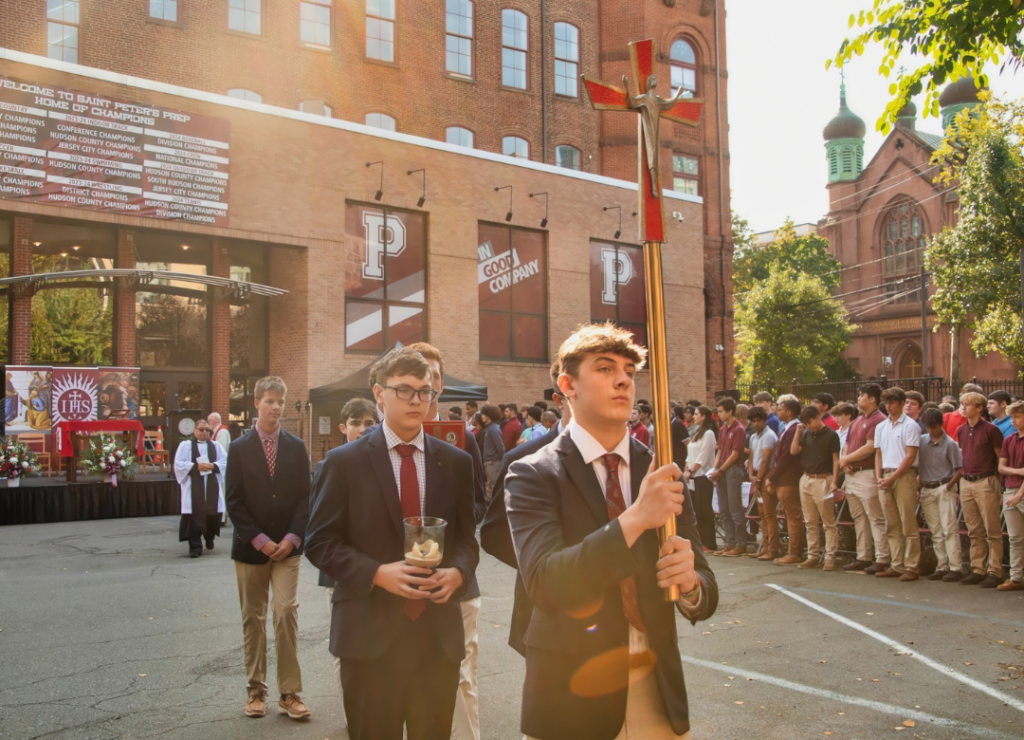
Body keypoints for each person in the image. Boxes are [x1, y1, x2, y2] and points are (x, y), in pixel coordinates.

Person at [504, 323, 717, 740]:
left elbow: (704, 587)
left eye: (629, 371)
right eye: (604, 369)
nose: (622, 380)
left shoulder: (659, 471)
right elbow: (545, 584)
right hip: (570, 695)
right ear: (568, 384)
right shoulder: (532, 473)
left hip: (657, 693)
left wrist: (690, 584)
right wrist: (636, 518)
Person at [305, 349, 478, 740]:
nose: (417, 400)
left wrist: (458, 572)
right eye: (405, 390)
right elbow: (319, 542)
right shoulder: (342, 462)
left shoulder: (454, 462)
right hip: (369, 638)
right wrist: (376, 573)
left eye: (425, 391)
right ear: (379, 394)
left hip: (436, 638)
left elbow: (467, 539)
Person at [407, 341, 489, 740]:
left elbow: (477, 505)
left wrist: (444, 535)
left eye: (434, 375)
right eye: (419, 375)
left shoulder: (463, 439)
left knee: (461, 679)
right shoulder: (382, 436)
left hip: (454, 581)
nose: (428, 383)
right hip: (400, 585)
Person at [225, 376, 311, 720]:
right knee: (253, 618)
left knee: (285, 611)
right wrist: (259, 539)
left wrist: (292, 538)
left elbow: (305, 498)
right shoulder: (239, 447)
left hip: (288, 548)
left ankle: (289, 693)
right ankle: (255, 690)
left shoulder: (296, 446)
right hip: (251, 548)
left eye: (280, 401)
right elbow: (233, 500)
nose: (275, 407)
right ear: (256, 403)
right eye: (269, 401)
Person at [480, 361, 570, 659]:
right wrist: (543, 567)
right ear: (561, 399)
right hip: (546, 610)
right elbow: (494, 534)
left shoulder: (637, 457)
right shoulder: (524, 457)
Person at [311, 397, 377, 715]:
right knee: (347, 650)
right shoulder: (330, 465)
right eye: (356, 423)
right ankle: (352, 718)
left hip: (380, 570)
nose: (363, 429)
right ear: (343, 428)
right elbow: (320, 530)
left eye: (369, 423)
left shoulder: (384, 462)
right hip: (339, 572)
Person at [838, 384, 890, 574]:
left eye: (862, 396)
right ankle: (863, 556)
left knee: (875, 517)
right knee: (859, 517)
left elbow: (870, 447)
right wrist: (845, 461)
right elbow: (847, 444)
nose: (858, 398)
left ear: (872, 399)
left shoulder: (879, 420)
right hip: (852, 474)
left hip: (867, 473)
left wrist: (847, 459)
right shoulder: (858, 420)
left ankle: (882, 557)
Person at [956, 391, 1006, 588]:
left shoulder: (991, 430)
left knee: (992, 528)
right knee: (974, 529)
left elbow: (1000, 458)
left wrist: (998, 486)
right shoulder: (960, 430)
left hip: (986, 480)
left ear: (979, 408)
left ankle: (995, 569)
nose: (964, 407)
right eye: (962, 404)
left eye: (968, 404)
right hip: (966, 481)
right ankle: (978, 568)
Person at [873, 387, 922, 581]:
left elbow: (910, 457)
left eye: (892, 402)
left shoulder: (910, 426)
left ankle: (912, 566)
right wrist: (879, 476)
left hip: (903, 475)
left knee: (908, 522)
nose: (889, 406)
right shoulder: (881, 426)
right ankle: (897, 563)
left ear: (902, 403)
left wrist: (892, 478)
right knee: (892, 524)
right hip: (885, 473)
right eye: (886, 402)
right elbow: (878, 454)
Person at [790, 405, 841, 571]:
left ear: (818, 417)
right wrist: (798, 432)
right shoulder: (807, 434)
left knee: (828, 522)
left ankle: (830, 556)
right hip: (806, 478)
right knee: (810, 521)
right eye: (806, 423)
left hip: (822, 479)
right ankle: (812, 555)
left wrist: (834, 481)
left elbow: (835, 460)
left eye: (810, 422)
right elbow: (794, 451)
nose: (809, 425)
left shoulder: (832, 435)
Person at [916, 407, 964, 582]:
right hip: (927, 487)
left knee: (949, 528)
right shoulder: (921, 441)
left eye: (933, 427)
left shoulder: (950, 444)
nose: (930, 430)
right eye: (927, 427)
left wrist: (949, 485)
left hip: (944, 485)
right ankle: (942, 565)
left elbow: (959, 468)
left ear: (940, 425)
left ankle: (955, 566)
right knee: (935, 530)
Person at [175, 419, 226, 558]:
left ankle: (209, 538)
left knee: (211, 514)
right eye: (201, 429)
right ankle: (195, 547)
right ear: (194, 430)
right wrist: (195, 467)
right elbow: (178, 464)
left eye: (207, 430)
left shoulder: (216, 446)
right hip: (193, 486)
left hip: (211, 486)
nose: (204, 432)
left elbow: (225, 462)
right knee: (193, 516)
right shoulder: (186, 446)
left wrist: (213, 465)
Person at [766, 397, 805, 565]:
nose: (777, 410)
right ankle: (792, 550)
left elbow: (786, 457)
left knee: (793, 516)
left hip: (789, 478)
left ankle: (795, 552)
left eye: (780, 408)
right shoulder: (786, 429)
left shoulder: (794, 429)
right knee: (789, 516)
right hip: (783, 478)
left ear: (789, 412)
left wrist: (771, 477)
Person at [709, 397, 747, 557]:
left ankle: (740, 544)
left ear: (730, 411)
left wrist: (721, 470)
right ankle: (729, 543)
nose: (719, 414)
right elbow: (720, 450)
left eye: (721, 411)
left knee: (735, 509)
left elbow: (735, 454)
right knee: (724, 509)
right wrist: (714, 468)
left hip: (732, 470)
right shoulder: (724, 429)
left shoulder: (738, 429)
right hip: (722, 470)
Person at [997, 400, 1024, 591]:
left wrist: (1019, 496)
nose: (1013, 420)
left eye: (1017, 416)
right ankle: (1016, 577)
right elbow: (1001, 467)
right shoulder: (1009, 439)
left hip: (1019, 492)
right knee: (1015, 538)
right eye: (1012, 417)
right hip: (1010, 489)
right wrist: (1019, 472)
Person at [683, 405, 718, 553]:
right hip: (692, 477)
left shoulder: (709, 434)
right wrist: (686, 468)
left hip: (703, 476)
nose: (694, 416)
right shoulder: (697, 432)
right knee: (696, 510)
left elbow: (703, 457)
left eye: (696, 414)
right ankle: (699, 540)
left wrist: (691, 470)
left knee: (705, 510)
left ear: (703, 416)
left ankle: (709, 542)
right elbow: (690, 453)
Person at [746, 406, 778, 561]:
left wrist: (758, 479)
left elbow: (766, 461)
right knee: (762, 514)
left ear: (765, 420)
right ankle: (764, 547)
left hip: (765, 477)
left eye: (759, 420)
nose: (756, 423)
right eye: (753, 421)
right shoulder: (753, 437)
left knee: (769, 514)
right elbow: (752, 458)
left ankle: (772, 549)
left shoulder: (769, 436)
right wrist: (751, 475)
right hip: (757, 476)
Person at [480, 405, 505, 493]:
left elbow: (500, 446)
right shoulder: (490, 428)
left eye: (483, 414)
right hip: (490, 462)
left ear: (488, 416)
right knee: (490, 486)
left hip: (493, 462)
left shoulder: (493, 429)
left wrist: (505, 460)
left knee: (492, 487)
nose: (481, 416)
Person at [670, 405, 689, 471]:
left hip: (679, 460)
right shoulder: (665, 424)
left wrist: (688, 462)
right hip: (670, 459)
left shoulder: (677, 424)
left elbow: (687, 443)